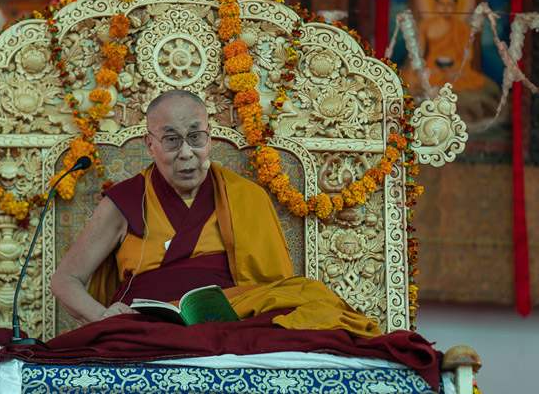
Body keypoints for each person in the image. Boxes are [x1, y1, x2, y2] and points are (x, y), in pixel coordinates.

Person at [51, 90, 381, 338]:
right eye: (170, 140)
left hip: (232, 321)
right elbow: (65, 280)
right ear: (149, 145)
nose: (186, 153)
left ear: (210, 140)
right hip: (146, 328)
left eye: (195, 138)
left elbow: (272, 286)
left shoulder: (245, 196)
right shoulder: (125, 201)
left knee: (313, 299)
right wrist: (103, 316)